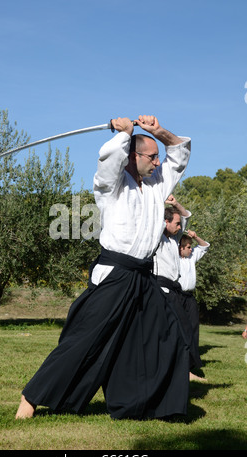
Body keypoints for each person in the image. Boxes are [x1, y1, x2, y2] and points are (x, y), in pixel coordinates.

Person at [16, 115, 191, 420]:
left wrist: (158, 132)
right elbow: (108, 163)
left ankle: (144, 405)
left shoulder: (156, 185)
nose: (157, 162)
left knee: (164, 335)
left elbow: (179, 154)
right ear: (132, 156)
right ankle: (31, 399)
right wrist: (124, 134)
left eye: (157, 157)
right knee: (86, 338)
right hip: (114, 274)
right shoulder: (112, 186)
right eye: (151, 156)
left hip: (143, 277)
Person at [153, 195, 204, 378]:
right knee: (179, 329)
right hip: (161, 288)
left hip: (173, 288)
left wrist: (175, 204)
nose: (180, 227)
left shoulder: (174, 240)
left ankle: (184, 369)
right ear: (165, 222)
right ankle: (182, 371)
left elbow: (186, 216)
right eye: (176, 223)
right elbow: (158, 218)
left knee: (183, 330)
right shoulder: (157, 236)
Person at [179, 230, 210, 381]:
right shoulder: (173, 258)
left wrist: (195, 236)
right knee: (178, 330)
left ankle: (190, 367)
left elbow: (205, 246)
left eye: (191, 246)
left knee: (192, 330)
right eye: (188, 246)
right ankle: (178, 367)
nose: (191, 249)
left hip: (189, 298)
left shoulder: (191, 257)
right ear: (180, 248)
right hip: (176, 296)